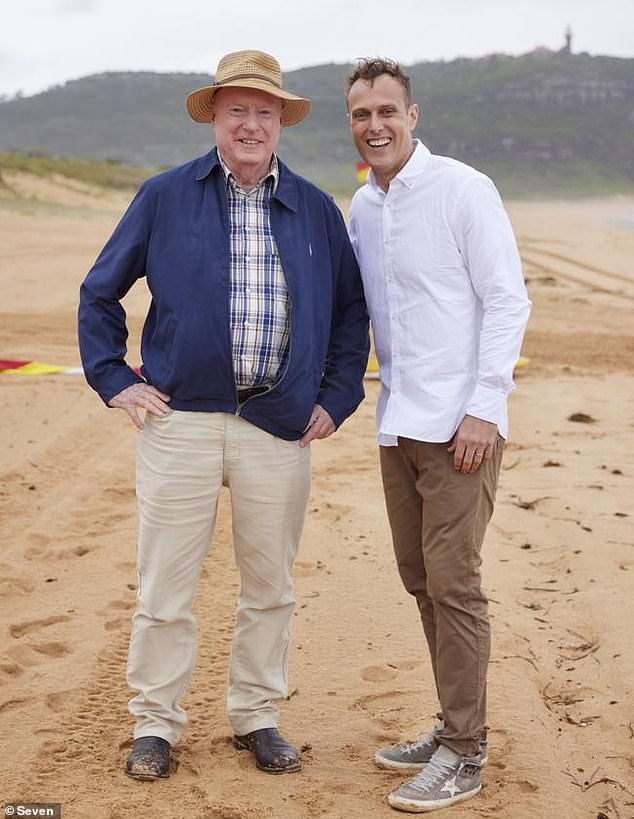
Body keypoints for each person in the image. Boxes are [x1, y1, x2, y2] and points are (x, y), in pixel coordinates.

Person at [78, 49, 368, 781]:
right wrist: (114, 377)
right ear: (213, 116)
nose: (250, 123)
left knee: (269, 585)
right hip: (180, 421)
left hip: (279, 426)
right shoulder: (164, 196)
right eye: (236, 108)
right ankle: (156, 724)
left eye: (264, 111)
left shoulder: (315, 208)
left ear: (280, 123)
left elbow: (351, 314)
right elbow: (99, 292)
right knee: (165, 586)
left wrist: (336, 397)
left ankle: (257, 715)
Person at [346, 58, 531, 813]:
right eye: (361, 114)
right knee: (420, 579)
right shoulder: (362, 206)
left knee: (454, 584)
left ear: (413, 115)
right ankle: (453, 721)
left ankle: (466, 750)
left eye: (388, 110)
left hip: (462, 428)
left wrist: (486, 407)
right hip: (400, 423)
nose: (375, 124)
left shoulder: (463, 189)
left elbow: (507, 300)